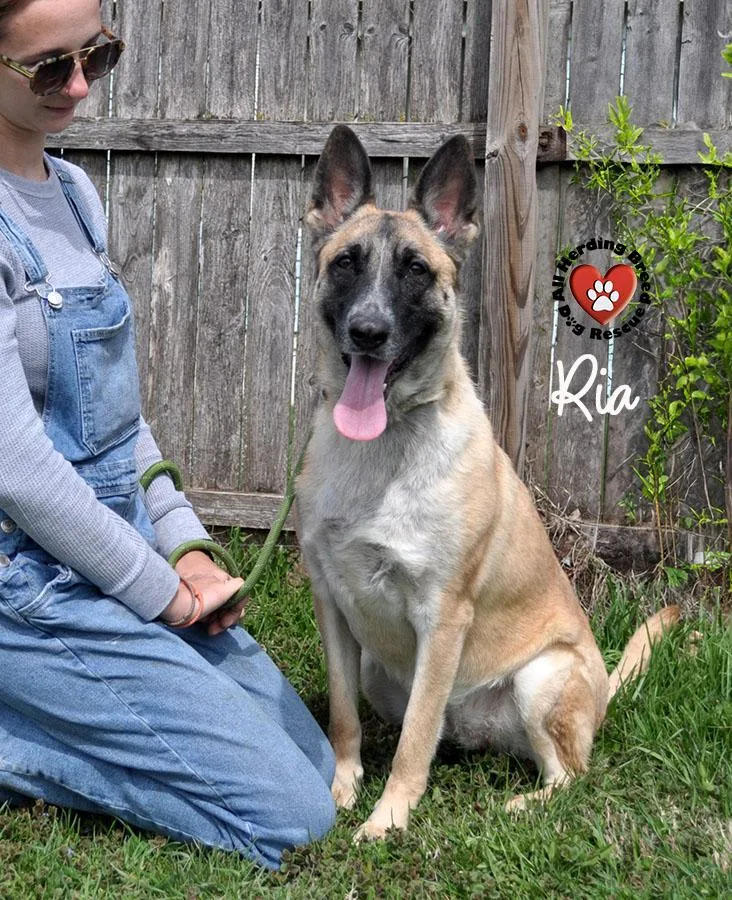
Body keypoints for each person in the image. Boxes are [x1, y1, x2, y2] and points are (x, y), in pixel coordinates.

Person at [0, 0, 335, 870]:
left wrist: (185, 547)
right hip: (27, 585)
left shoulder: (75, 194)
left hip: (117, 549)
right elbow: (18, 470)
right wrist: (159, 592)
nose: (79, 86)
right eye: (49, 67)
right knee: (293, 817)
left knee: (316, 762)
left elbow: (120, 420)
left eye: (98, 55)